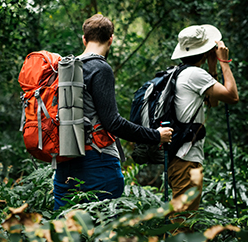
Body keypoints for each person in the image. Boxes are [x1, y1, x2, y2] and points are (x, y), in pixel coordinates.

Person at [53, 14, 173, 210]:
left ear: (84, 39)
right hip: (97, 162)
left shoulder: (65, 67)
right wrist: (155, 136)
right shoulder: (100, 68)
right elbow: (113, 123)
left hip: (64, 160)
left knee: (66, 231)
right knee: (104, 230)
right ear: (111, 39)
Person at [168, 24, 239, 213]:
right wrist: (224, 62)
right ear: (205, 50)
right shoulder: (194, 74)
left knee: (183, 221)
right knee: (181, 225)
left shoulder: (181, 72)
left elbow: (213, 103)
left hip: (180, 158)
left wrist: (213, 66)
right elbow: (232, 96)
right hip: (186, 159)